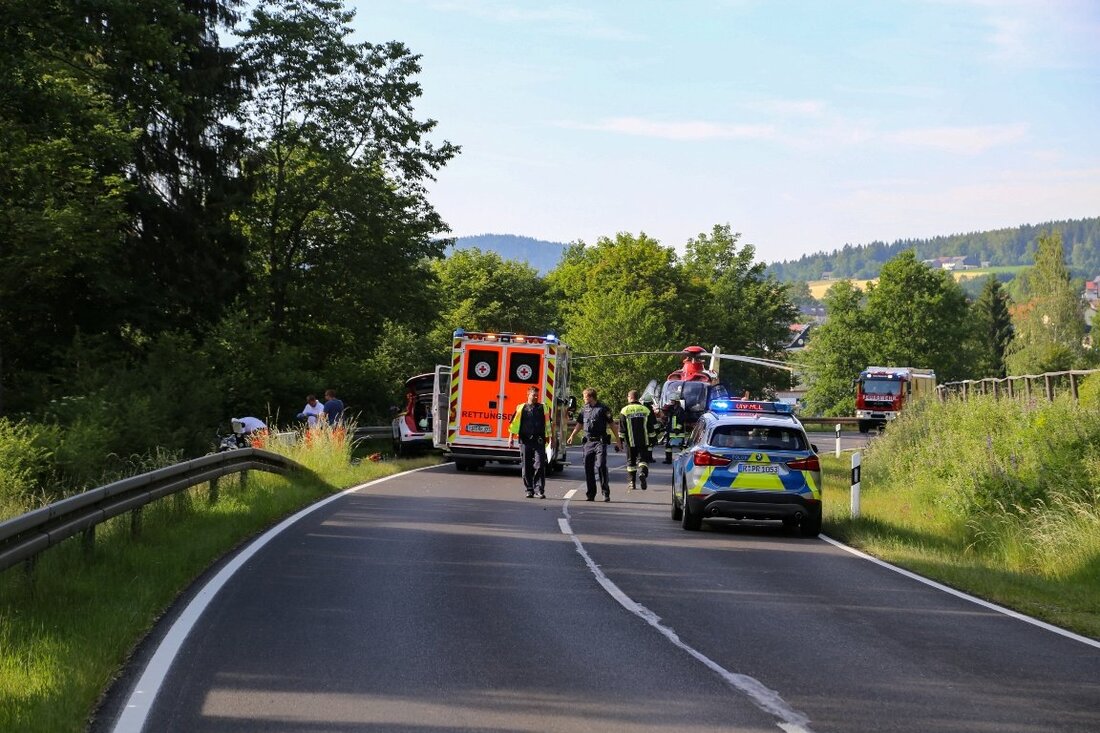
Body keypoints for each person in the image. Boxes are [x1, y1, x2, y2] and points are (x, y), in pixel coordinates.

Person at [567, 388, 622, 502]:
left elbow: (612, 425)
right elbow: (579, 424)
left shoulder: (603, 409)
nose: (583, 399)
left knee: (601, 465)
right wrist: (572, 435)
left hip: (600, 442)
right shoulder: (584, 409)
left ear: (590, 397)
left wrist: (618, 440)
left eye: (584, 397)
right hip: (588, 442)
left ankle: (605, 492)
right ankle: (591, 494)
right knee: (588, 468)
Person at [507, 386, 551, 498]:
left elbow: (548, 424)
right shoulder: (521, 407)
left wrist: (550, 438)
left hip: (539, 441)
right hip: (525, 440)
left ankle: (539, 489)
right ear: (528, 395)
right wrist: (510, 438)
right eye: (533, 395)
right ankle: (529, 489)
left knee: (540, 465)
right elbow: (514, 424)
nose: (536, 397)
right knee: (526, 466)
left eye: (537, 395)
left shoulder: (543, 408)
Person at [619, 390, 652, 491]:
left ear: (630, 397)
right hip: (644, 440)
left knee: (631, 462)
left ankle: (632, 482)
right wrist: (653, 439)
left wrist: (620, 441)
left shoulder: (624, 410)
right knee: (643, 460)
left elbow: (622, 429)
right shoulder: (645, 410)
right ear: (637, 398)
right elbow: (650, 427)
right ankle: (642, 472)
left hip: (630, 442)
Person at [663, 398, 686, 464]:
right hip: (670, 431)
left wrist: (677, 429)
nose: (671, 402)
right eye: (671, 400)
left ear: (676, 401)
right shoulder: (671, 409)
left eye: (672, 401)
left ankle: (684, 459)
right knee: (668, 446)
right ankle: (668, 460)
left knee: (681, 446)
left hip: (678, 432)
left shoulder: (680, 410)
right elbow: (666, 412)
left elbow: (681, 421)